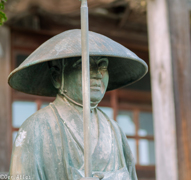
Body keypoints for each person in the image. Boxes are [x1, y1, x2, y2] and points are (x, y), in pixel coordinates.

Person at [8, 29, 148, 180]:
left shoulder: (114, 130)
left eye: (102, 66)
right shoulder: (36, 128)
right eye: (84, 65)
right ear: (57, 78)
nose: (97, 74)